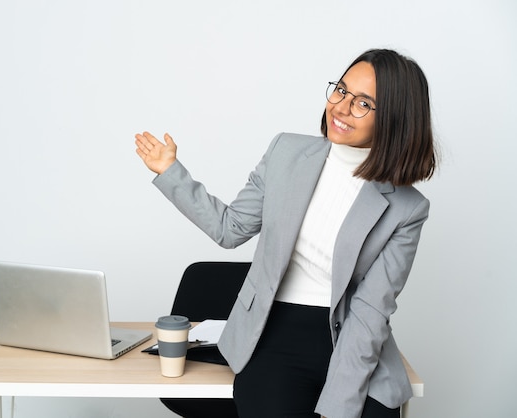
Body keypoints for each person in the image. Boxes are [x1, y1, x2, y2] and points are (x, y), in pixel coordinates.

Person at [134, 48, 437, 418]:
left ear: (394, 119)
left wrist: (340, 407)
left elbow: (370, 311)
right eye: (340, 90)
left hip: (351, 342)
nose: (341, 108)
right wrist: (171, 172)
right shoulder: (286, 151)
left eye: (362, 104)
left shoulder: (407, 208)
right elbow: (230, 229)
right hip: (271, 335)